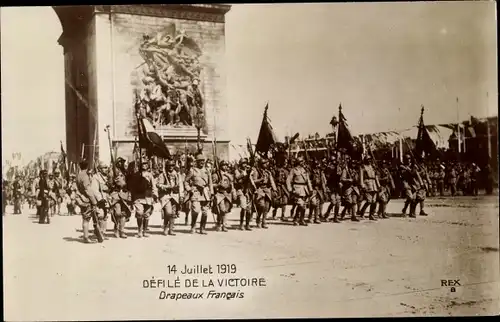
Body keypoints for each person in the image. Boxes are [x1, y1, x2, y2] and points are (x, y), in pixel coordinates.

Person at [75, 160, 105, 243]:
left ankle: (87, 236)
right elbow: (88, 190)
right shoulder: (85, 176)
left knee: (86, 219)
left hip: (81, 199)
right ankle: (86, 237)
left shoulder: (78, 175)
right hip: (87, 199)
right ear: (87, 166)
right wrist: (94, 201)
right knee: (88, 219)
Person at [184, 153, 213, 234]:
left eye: (203, 161)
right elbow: (186, 181)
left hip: (205, 193)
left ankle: (202, 228)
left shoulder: (207, 171)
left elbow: (210, 183)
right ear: (196, 162)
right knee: (196, 210)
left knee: (205, 212)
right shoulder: (192, 171)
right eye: (200, 161)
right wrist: (189, 189)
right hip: (196, 192)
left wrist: (212, 192)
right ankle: (193, 226)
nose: (202, 162)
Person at [130, 160, 158, 238]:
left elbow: (153, 186)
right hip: (138, 196)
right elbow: (133, 186)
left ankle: (144, 231)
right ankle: (139, 230)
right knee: (139, 213)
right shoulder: (136, 175)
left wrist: (155, 194)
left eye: (146, 164)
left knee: (146, 214)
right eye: (143, 164)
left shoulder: (150, 175)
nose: (144, 166)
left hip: (148, 196)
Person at [157, 159, 183, 236]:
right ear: (167, 166)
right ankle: (165, 227)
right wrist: (168, 187)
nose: (171, 167)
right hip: (166, 196)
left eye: (172, 165)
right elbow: (159, 185)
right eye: (169, 166)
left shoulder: (177, 174)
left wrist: (181, 196)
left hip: (175, 196)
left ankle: (171, 229)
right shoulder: (163, 175)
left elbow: (180, 186)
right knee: (168, 212)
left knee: (173, 213)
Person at [286, 155, 312, 226]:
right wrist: (290, 189)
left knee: (304, 206)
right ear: (298, 162)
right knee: (300, 204)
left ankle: (301, 219)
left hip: (304, 189)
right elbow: (288, 180)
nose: (303, 163)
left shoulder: (304, 170)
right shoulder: (293, 170)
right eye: (302, 161)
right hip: (297, 188)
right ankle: (296, 219)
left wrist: (310, 189)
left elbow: (308, 180)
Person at [251, 158, 276, 229]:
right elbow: (253, 181)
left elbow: (272, 181)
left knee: (267, 207)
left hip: (267, 190)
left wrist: (275, 190)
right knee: (261, 206)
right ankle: (258, 219)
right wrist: (260, 179)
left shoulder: (268, 172)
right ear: (261, 164)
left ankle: (264, 221)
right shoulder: (256, 171)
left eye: (266, 163)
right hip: (259, 189)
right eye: (264, 163)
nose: (266, 165)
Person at [212, 160, 234, 232]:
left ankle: (223, 225)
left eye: (226, 165)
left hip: (227, 194)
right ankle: (219, 224)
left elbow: (232, 181)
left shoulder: (229, 174)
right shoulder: (216, 174)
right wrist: (218, 184)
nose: (225, 167)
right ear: (221, 166)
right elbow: (212, 184)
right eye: (224, 165)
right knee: (221, 209)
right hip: (219, 194)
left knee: (226, 210)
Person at [234, 158, 254, 230]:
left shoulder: (249, 171)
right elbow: (237, 178)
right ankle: (241, 224)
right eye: (243, 163)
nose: (245, 165)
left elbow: (252, 180)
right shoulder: (237, 171)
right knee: (243, 207)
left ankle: (247, 224)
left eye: (245, 163)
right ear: (240, 164)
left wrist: (250, 172)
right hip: (241, 190)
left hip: (248, 191)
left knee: (248, 209)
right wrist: (244, 173)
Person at [358, 156, 380, 221]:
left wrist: (378, 185)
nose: (369, 161)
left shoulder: (372, 167)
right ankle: (362, 212)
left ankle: (371, 215)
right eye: (368, 159)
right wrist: (362, 185)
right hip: (367, 184)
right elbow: (361, 177)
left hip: (374, 184)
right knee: (369, 201)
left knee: (374, 201)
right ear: (365, 160)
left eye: (370, 159)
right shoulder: (362, 167)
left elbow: (376, 176)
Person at [308, 160, 327, 224]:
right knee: (313, 203)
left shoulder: (321, 172)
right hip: (313, 189)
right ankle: (310, 217)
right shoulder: (311, 172)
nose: (317, 166)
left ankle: (316, 218)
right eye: (316, 165)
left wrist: (324, 191)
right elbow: (308, 180)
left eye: (318, 165)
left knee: (318, 204)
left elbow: (323, 182)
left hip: (319, 189)